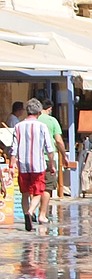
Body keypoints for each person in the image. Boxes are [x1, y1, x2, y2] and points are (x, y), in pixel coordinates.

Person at [11, 99, 54, 231]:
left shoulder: (18, 126)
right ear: (39, 112)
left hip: (23, 165)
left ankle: (26, 215)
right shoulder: (42, 126)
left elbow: (14, 148)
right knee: (38, 192)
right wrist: (51, 165)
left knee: (24, 193)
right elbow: (49, 148)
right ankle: (30, 212)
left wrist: (12, 164)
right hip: (38, 165)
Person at [38, 99, 68, 218]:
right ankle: (43, 213)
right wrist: (64, 155)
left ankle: (32, 210)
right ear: (49, 108)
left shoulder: (34, 120)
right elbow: (59, 141)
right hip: (48, 157)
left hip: (34, 158)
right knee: (48, 186)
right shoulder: (52, 120)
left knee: (35, 185)